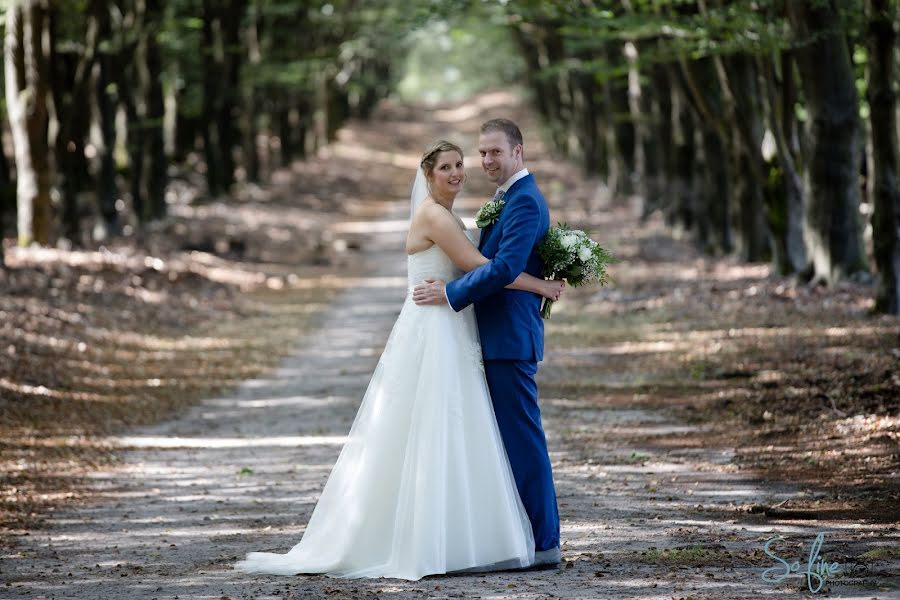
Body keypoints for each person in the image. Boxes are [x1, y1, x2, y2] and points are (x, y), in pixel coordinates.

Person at [235, 140, 564, 581]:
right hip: (435, 326)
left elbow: (489, 267)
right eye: (445, 167)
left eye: (459, 165)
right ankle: (430, 539)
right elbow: (480, 265)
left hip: (453, 325)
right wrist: (539, 285)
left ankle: (462, 536)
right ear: (427, 175)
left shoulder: (452, 214)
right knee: (430, 427)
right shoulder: (432, 214)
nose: (456, 173)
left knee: (457, 428)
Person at [412, 119, 562, 570]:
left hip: (509, 338)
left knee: (522, 441)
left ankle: (543, 544)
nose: (487, 161)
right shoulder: (505, 199)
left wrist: (451, 293)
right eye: (483, 153)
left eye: (495, 152)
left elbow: (501, 268)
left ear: (519, 151)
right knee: (501, 442)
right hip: (493, 335)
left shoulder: (524, 201)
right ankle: (512, 537)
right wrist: (540, 285)